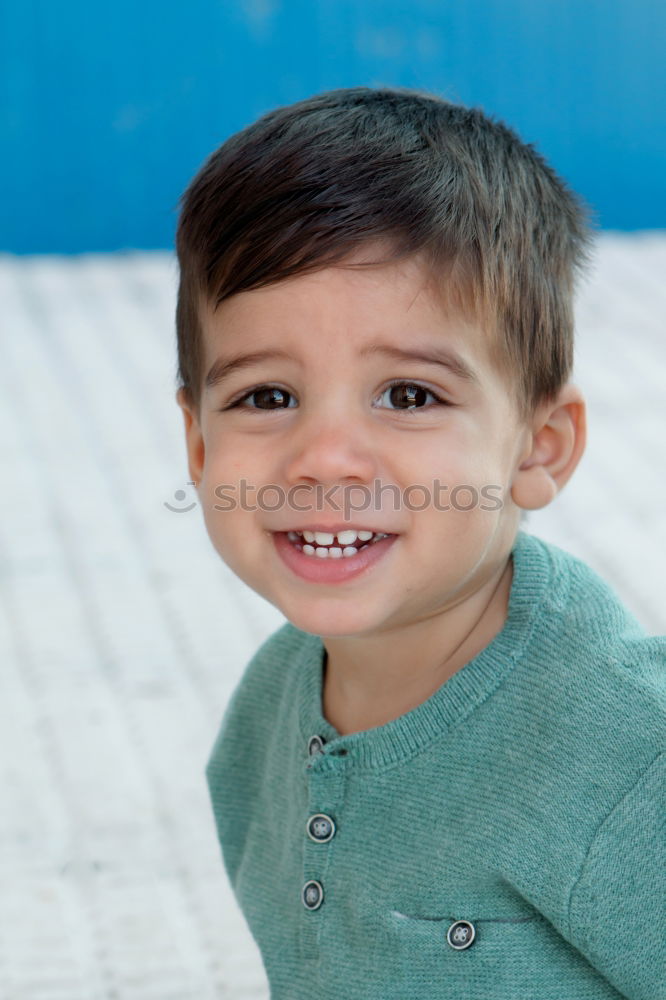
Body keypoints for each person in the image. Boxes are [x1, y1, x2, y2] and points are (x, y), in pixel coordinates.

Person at [173, 86, 665, 999]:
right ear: (199, 447)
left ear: (537, 448)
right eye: (265, 396)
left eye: (409, 396)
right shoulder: (267, 717)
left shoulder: (628, 756)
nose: (323, 459)